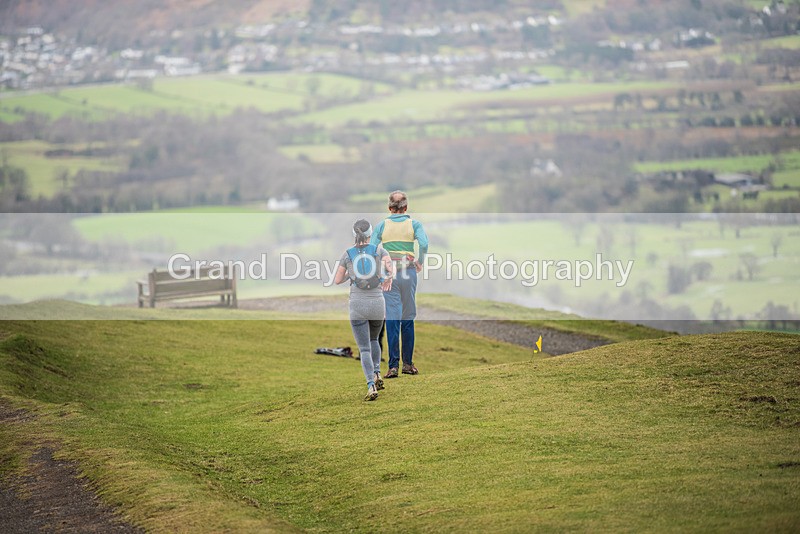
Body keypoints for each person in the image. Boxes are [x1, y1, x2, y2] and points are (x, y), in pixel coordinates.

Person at [370, 191, 428, 378]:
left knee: (393, 319)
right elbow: (424, 243)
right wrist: (420, 261)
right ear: (406, 207)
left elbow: (372, 249)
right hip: (409, 273)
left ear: (389, 208)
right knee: (408, 317)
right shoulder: (414, 224)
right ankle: (408, 365)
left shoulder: (381, 226)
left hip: (389, 276)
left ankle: (393, 366)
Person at [334, 219, 394, 401]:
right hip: (377, 303)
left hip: (357, 305)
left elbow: (337, 280)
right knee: (374, 339)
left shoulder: (347, 254)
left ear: (354, 235)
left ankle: (371, 385)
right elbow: (390, 269)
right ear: (370, 234)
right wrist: (387, 277)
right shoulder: (379, 250)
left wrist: (350, 276)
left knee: (364, 349)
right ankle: (377, 372)